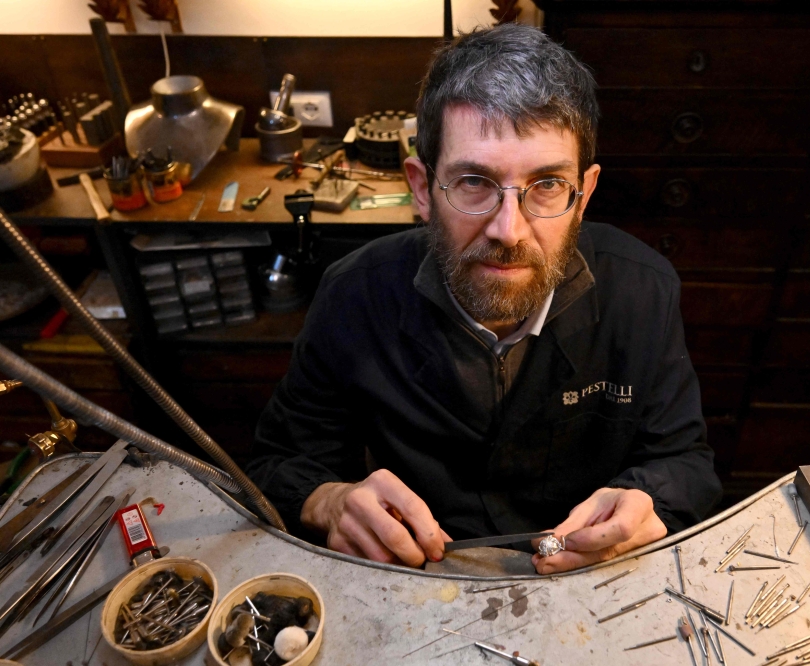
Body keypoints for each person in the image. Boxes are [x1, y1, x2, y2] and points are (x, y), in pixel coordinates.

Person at [247, 23, 721, 574]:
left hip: (584, 582)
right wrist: (328, 501)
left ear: (584, 193)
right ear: (423, 189)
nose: (509, 230)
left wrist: (650, 502)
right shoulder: (353, 295)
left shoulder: (643, 293)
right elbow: (276, 463)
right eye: (474, 181)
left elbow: (687, 463)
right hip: (418, 580)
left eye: (547, 185)